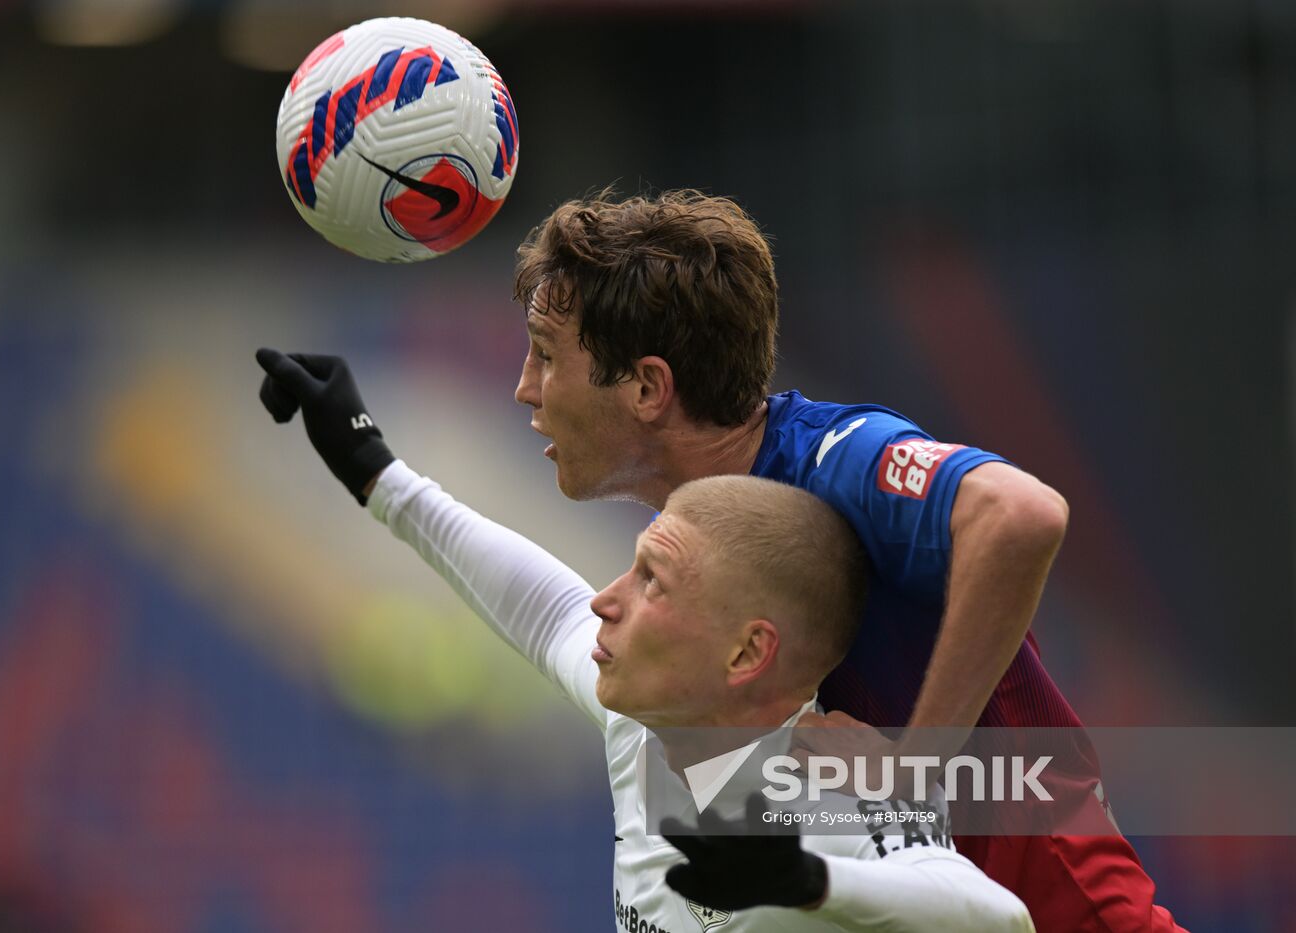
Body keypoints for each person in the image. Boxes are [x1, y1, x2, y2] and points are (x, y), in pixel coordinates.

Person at [500, 190, 1181, 932]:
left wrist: (912, 770)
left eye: (545, 352)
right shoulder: (702, 532)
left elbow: (1022, 514)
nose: (526, 387)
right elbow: (554, 621)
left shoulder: (835, 459)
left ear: (647, 387)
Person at [254, 346, 1033, 931]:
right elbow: (536, 600)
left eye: (653, 580)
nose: (603, 599)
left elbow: (995, 915)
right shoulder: (645, 721)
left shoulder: (831, 786)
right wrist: (373, 469)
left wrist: (803, 876)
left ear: (744, 653)